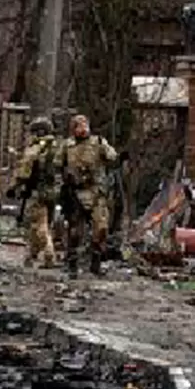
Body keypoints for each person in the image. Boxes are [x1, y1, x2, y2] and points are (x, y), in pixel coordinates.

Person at [59, 114, 120, 277]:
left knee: (101, 228)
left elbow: (113, 157)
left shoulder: (98, 142)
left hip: (96, 192)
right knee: (75, 231)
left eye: (85, 124)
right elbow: (57, 166)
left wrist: (106, 151)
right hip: (75, 193)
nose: (83, 128)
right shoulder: (67, 146)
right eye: (78, 125)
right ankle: (72, 264)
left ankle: (96, 263)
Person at [14, 116, 62, 268]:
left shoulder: (36, 148)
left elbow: (24, 171)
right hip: (55, 190)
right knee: (45, 223)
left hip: (38, 190)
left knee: (39, 224)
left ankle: (49, 255)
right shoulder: (58, 146)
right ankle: (30, 255)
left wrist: (15, 186)